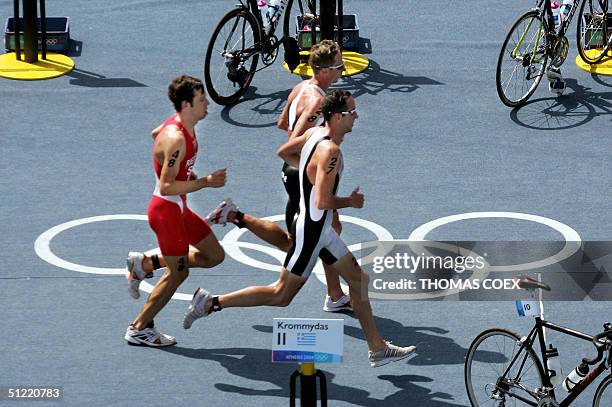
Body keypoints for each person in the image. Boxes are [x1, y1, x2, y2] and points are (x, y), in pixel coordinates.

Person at [182, 90, 417, 367]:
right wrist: (350, 202)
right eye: (352, 112)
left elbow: (284, 151)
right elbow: (323, 200)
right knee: (281, 295)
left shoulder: (315, 134)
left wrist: (308, 171)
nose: (356, 116)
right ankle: (210, 303)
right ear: (338, 117)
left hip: (322, 230)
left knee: (359, 281)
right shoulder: (331, 151)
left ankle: (377, 348)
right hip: (313, 232)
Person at [205, 40, 351, 312]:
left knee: (317, 236)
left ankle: (335, 293)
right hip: (302, 174)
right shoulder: (319, 101)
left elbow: (283, 122)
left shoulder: (299, 88)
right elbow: (294, 139)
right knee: (312, 239)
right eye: (339, 66)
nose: (342, 70)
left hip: (294, 171)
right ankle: (236, 218)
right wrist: (313, 162)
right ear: (324, 71)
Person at [124, 75, 227, 347]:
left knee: (214, 255)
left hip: (178, 208)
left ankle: (144, 264)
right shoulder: (177, 138)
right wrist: (205, 182)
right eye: (201, 99)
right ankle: (139, 327)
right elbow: (167, 186)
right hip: (166, 212)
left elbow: (155, 133)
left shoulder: (181, 128)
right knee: (179, 273)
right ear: (185, 104)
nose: (207, 103)